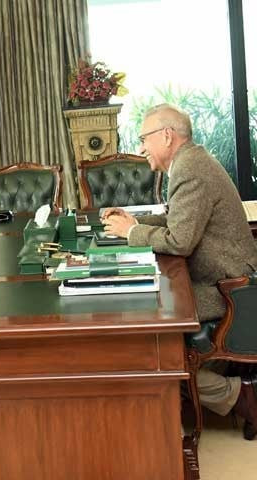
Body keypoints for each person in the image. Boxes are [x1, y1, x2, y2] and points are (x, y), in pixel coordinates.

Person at [101, 103, 257, 438]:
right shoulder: (191, 161)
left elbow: (180, 241)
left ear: (167, 136)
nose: (141, 147)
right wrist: (133, 222)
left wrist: (130, 233)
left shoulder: (191, 169)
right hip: (222, 278)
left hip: (229, 288)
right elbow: (178, 221)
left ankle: (240, 395)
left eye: (144, 138)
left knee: (150, 334)